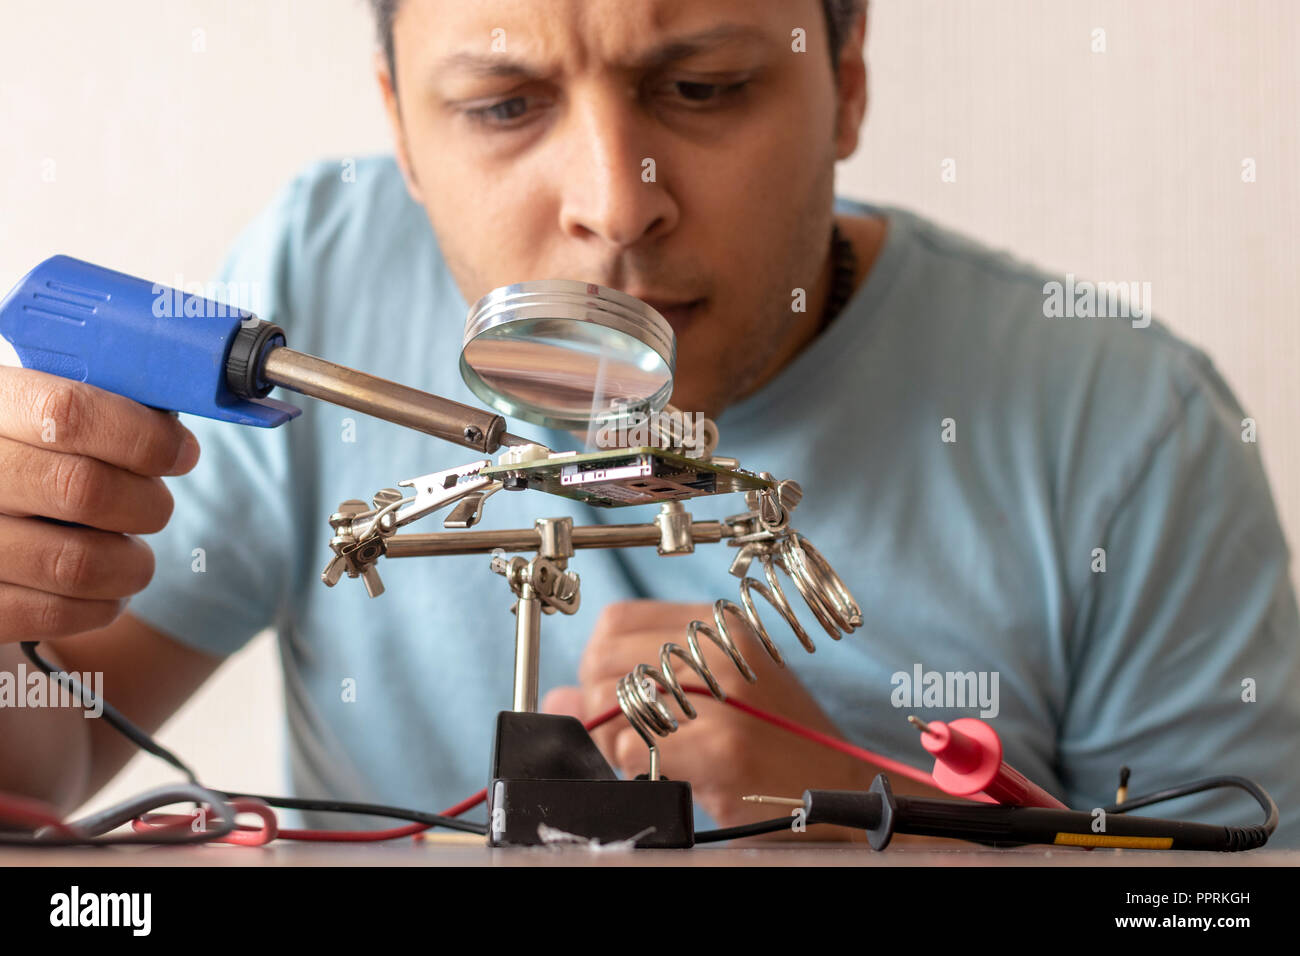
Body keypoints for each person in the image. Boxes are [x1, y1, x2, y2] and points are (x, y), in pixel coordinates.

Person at [2, 0, 1297, 846]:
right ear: (400, 128)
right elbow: (44, 745)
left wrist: (870, 832)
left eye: (705, 87)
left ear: (846, 85)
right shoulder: (316, 277)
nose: (616, 204)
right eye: (506, 106)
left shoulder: (1129, 429)